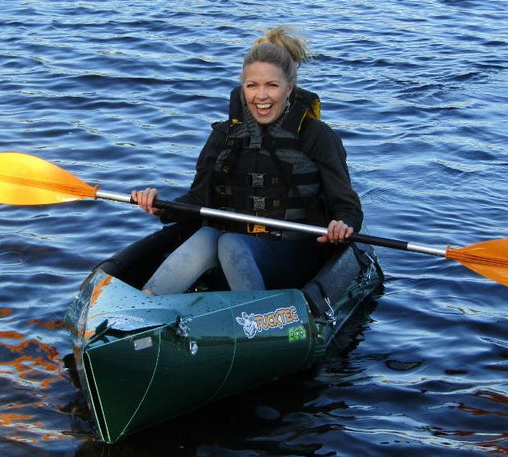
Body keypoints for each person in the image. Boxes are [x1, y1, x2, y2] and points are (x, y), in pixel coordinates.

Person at [131, 25, 363, 295]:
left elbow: (348, 208)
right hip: (231, 253)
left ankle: (255, 322)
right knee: (208, 236)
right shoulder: (223, 136)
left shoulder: (317, 137)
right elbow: (198, 201)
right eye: (252, 85)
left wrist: (341, 225)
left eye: (271, 85)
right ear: (243, 87)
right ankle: (143, 309)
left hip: (295, 256)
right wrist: (161, 208)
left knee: (232, 244)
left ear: (289, 88)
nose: (261, 96)